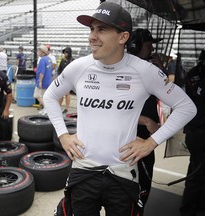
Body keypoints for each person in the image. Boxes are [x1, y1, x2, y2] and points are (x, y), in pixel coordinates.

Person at [43, 2, 196, 216]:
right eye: (92, 29)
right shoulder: (79, 67)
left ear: (123, 37)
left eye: (102, 29)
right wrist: (63, 135)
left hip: (122, 174)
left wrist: (152, 142)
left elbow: (186, 107)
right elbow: (50, 96)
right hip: (83, 170)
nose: (92, 37)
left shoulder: (145, 71)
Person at [127, 28, 164, 215]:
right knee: (137, 190)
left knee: (143, 187)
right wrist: (146, 121)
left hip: (145, 140)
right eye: (149, 46)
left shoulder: (148, 69)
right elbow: (117, 106)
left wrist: (160, 72)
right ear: (135, 46)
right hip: (133, 140)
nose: (151, 50)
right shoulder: (127, 71)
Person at [180, 49, 205, 216]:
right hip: (200, 132)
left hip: (194, 130)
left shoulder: (194, 73)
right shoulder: (198, 76)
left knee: (196, 172)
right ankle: (189, 210)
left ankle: (194, 207)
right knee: (197, 175)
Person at [34, 45, 53, 115]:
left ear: (43, 52)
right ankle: (45, 109)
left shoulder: (42, 60)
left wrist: (40, 82)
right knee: (44, 96)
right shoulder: (49, 59)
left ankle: (47, 109)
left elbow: (42, 72)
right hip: (48, 80)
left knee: (37, 95)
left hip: (42, 81)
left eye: (39, 51)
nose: (38, 52)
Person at [58, 47, 74, 114]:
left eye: (66, 52)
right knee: (61, 93)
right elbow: (59, 69)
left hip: (69, 79)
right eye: (64, 52)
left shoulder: (72, 60)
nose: (65, 54)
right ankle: (59, 106)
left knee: (67, 94)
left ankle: (67, 108)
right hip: (62, 79)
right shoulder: (63, 60)